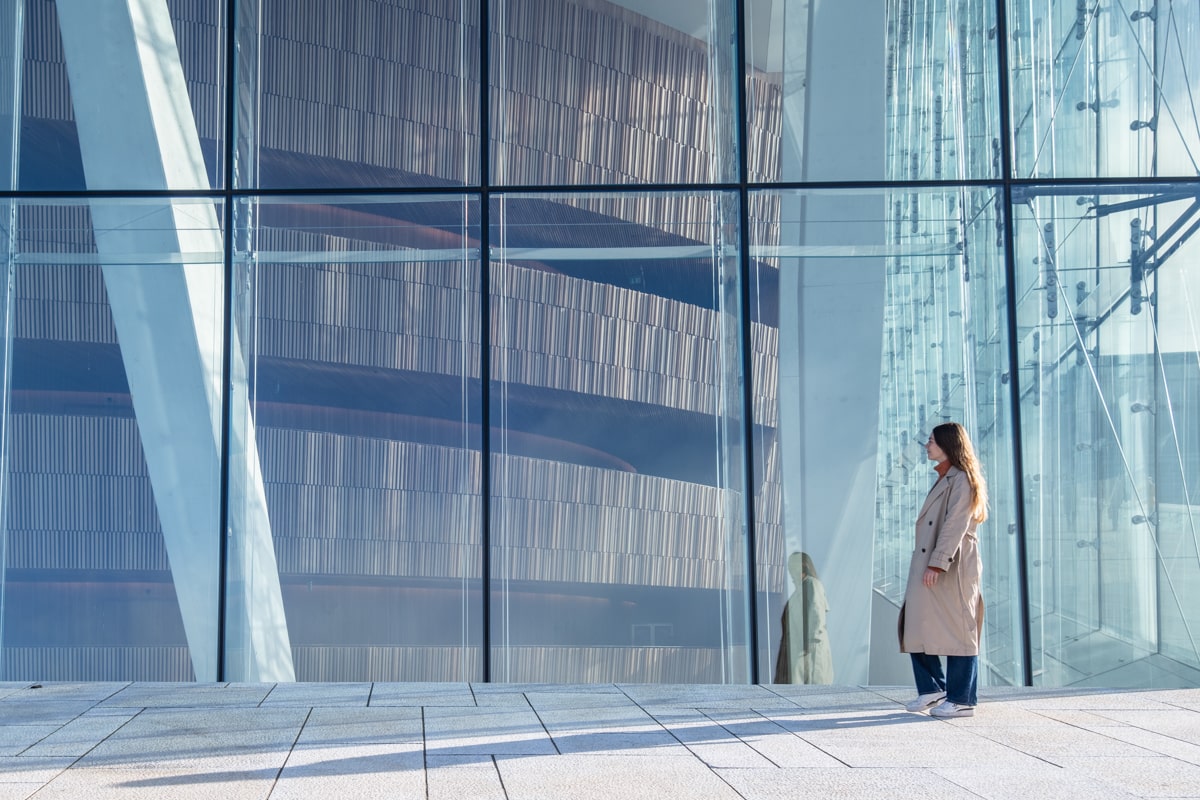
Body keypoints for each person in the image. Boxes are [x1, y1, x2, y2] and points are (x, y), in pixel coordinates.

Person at [898, 422, 987, 718]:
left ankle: (962, 698)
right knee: (915, 623)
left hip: (953, 566)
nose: (927, 446)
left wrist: (938, 563)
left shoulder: (962, 479)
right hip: (932, 562)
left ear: (948, 444)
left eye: (932, 441)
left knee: (959, 630)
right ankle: (932, 688)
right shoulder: (946, 478)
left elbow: (955, 526)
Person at [773, 551, 833, 684]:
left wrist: (812, 643)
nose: (791, 574)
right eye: (789, 569)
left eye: (793, 568)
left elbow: (816, 615)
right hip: (797, 651)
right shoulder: (799, 591)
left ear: (803, 567)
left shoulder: (812, 584)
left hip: (807, 654)